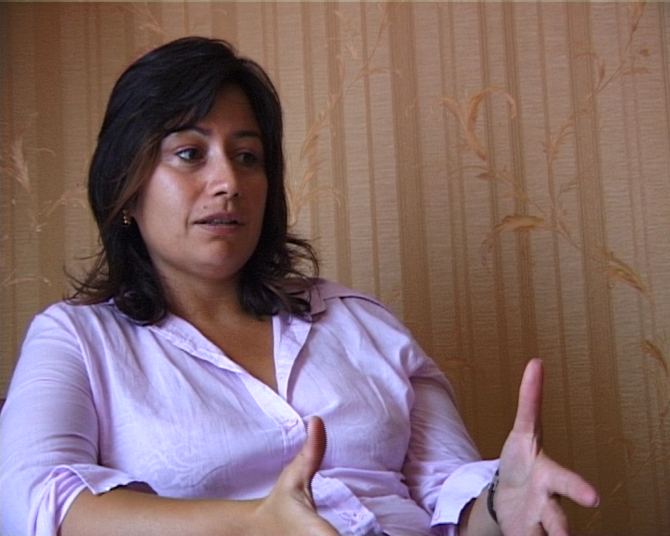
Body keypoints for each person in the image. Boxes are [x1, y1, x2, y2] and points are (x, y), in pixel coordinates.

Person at [0, 37, 598, 536]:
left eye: (248, 157)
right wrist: (252, 523)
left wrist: (497, 504)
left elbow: (448, 495)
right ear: (126, 187)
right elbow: (33, 500)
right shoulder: (77, 340)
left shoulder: (360, 322)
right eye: (189, 153)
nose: (228, 181)